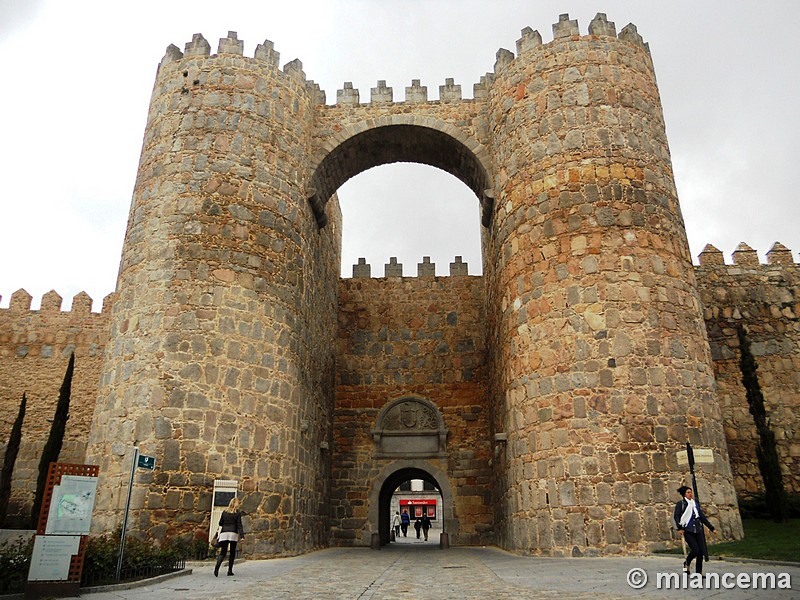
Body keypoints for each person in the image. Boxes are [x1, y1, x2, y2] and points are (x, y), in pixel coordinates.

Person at [673, 485, 715, 574]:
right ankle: (686, 563)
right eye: (688, 492)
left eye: (691, 492)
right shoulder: (681, 504)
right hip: (688, 530)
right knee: (695, 550)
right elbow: (676, 516)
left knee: (701, 552)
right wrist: (679, 528)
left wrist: (711, 528)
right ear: (684, 494)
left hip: (698, 529)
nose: (690, 494)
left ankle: (698, 573)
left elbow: (701, 517)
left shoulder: (695, 504)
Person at [214, 497, 245, 577]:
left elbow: (220, 523)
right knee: (232, 553)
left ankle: (217, 567)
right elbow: (239, 525)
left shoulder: (224, 512)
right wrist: (242, 536)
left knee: (223, 552)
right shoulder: (237, 513)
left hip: (224, 533)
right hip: (233, 533)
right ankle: (230, 571)